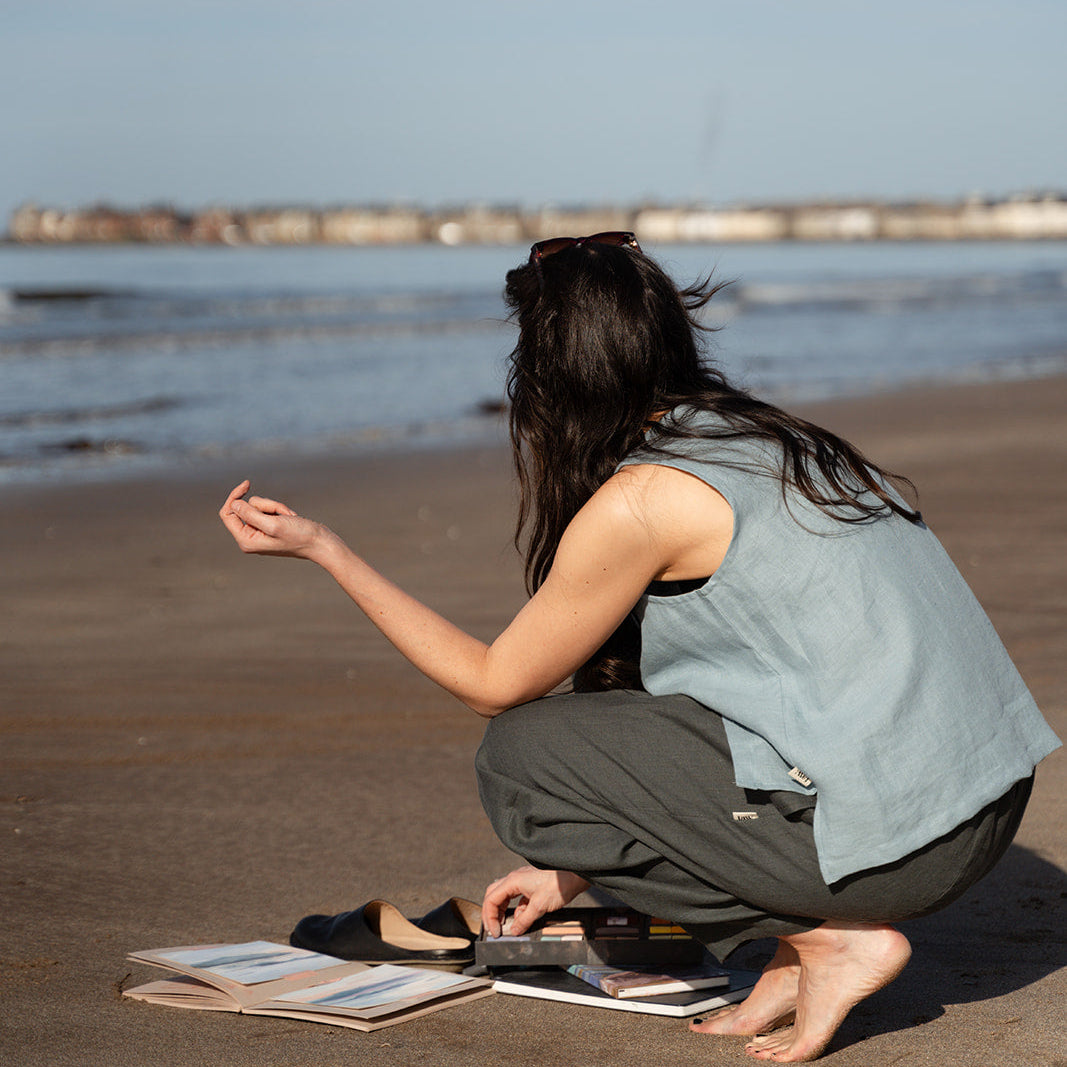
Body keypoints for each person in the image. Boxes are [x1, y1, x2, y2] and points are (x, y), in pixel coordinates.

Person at [219, 232, 1059, 1063]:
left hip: (911, 848)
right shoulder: (774, 442)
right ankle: (791, 948)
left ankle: (831, 940)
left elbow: (491, 682)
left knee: (520, 758)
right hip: (983, 799)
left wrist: (326, 549)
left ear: (549, 371)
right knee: (627, 720)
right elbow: (730, 698)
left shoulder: (649, 497)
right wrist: (571, 874)